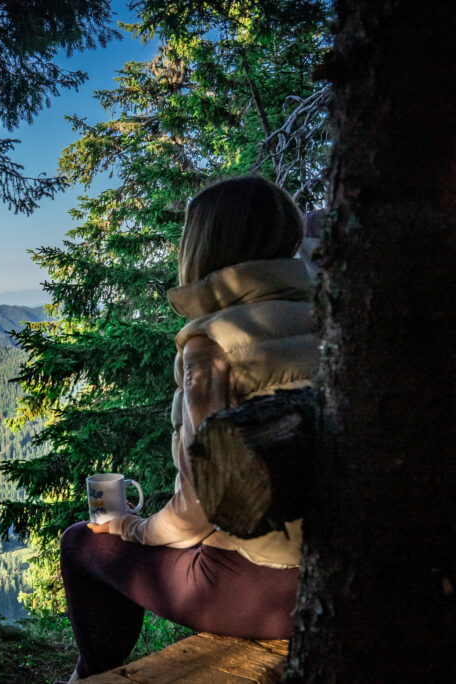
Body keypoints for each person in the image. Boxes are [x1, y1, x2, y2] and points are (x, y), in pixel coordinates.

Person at [59, 176, 318, 681]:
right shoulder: (328, 312)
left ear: (201, 246)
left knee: (81, 542)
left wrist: (132, 528)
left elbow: (200, 508)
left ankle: (92, 675)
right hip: (341, 560)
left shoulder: (213, 344)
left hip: (272, 587)